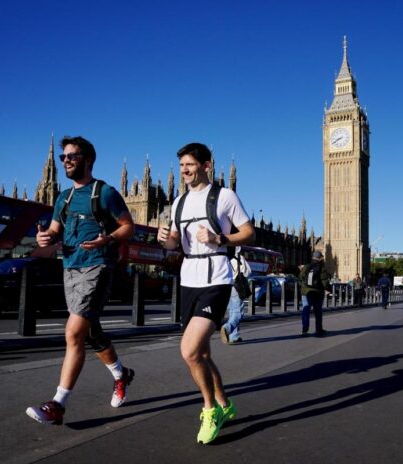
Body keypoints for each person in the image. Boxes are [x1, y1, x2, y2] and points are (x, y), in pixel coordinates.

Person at [26, 136, 136, 425]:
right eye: (63, 157)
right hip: (70, 268)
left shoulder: (105, 192)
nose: (66, 161)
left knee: (73, 333)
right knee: (90, 333)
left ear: (88, 159)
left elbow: (128, 226)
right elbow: (53, 232)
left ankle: (58, 404)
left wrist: (108, 239)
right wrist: (44, 238)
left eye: (72, 156)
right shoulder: (63, 197)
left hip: (98, 266)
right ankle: (121, 374)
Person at [157, 142, 255, 444]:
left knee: (188, 350)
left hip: (217, 279)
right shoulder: (179, 203)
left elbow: (249, 233)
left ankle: (210, 409)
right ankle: (226, 404)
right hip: (189, 280)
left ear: (207, 166)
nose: (185, 170)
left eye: (190, 164)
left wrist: (219, 237)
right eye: (182, 165)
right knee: (201, 353)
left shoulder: (225, 196)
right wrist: (165, 240)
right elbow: (175, 243)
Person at [221, 247, 251, 345]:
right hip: (237, 287)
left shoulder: (225, 257)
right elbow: (248, 272)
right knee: (238, 312)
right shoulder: (239, 257)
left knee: (232, 311)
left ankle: (234, 336)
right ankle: (227, 328)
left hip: (227, 286)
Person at [299, 251, 330, 336]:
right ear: (319, 258)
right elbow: (325, 283)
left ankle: (304, 330)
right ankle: (318, 329)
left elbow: (301, 277)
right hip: (317, 293)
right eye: (321, 258)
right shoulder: (322, 268)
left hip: (306, 292)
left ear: (313, 257)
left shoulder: (306, 267)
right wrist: (328, 289)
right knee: (318, 312)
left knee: (306, 310)